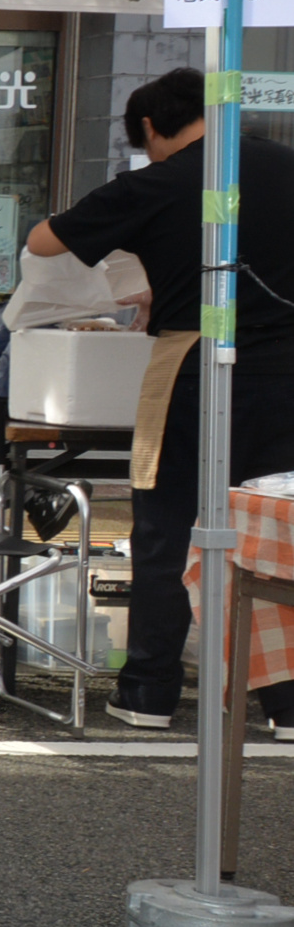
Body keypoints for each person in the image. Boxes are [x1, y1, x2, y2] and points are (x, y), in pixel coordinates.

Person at [29, 67, 294, 733]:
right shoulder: (284, 164)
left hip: (195, 364)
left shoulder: (158, 181)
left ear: (149, 126)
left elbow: (44, 241)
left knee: (169, 526)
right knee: (278, 530)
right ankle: (287, 702)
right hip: (289, 372)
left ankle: (148, 691)